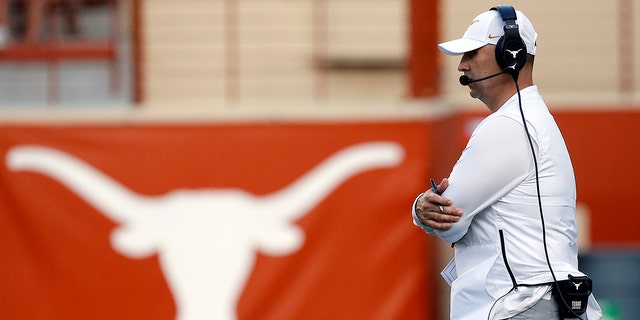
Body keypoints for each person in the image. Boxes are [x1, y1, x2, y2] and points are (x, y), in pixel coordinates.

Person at [412, 6, 602, 320]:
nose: (463, 65)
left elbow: (447, 220)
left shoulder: (509, 125)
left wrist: (422, 207)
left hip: (518, 304)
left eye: (472, 53)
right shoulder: (529, 120)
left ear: (509, 54)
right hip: (538, 301)